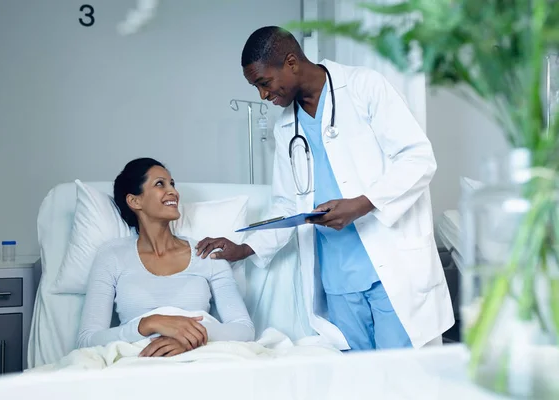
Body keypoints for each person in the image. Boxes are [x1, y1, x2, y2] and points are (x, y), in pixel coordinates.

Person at [196, 26, 454, 351]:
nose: (263, 95)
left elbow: (418, 158)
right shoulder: (285, 127)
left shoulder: (363, 87)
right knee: (360, 382)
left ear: (291, 62)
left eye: (264, 83)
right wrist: (244, 248)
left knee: (402, 378)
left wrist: (362, 203)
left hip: (391, 267)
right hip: (338, 277)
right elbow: (285, 204)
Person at [77, 158, 255, 357]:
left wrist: (190, 338)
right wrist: (150, 323)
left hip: (200, 357)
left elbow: (244, 329)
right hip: (139, 361)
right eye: (160, 184)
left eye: (172, 184)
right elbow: (87, 340)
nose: (173, 192)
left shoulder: (206, 253)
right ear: (134, 201)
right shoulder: (112, 256)